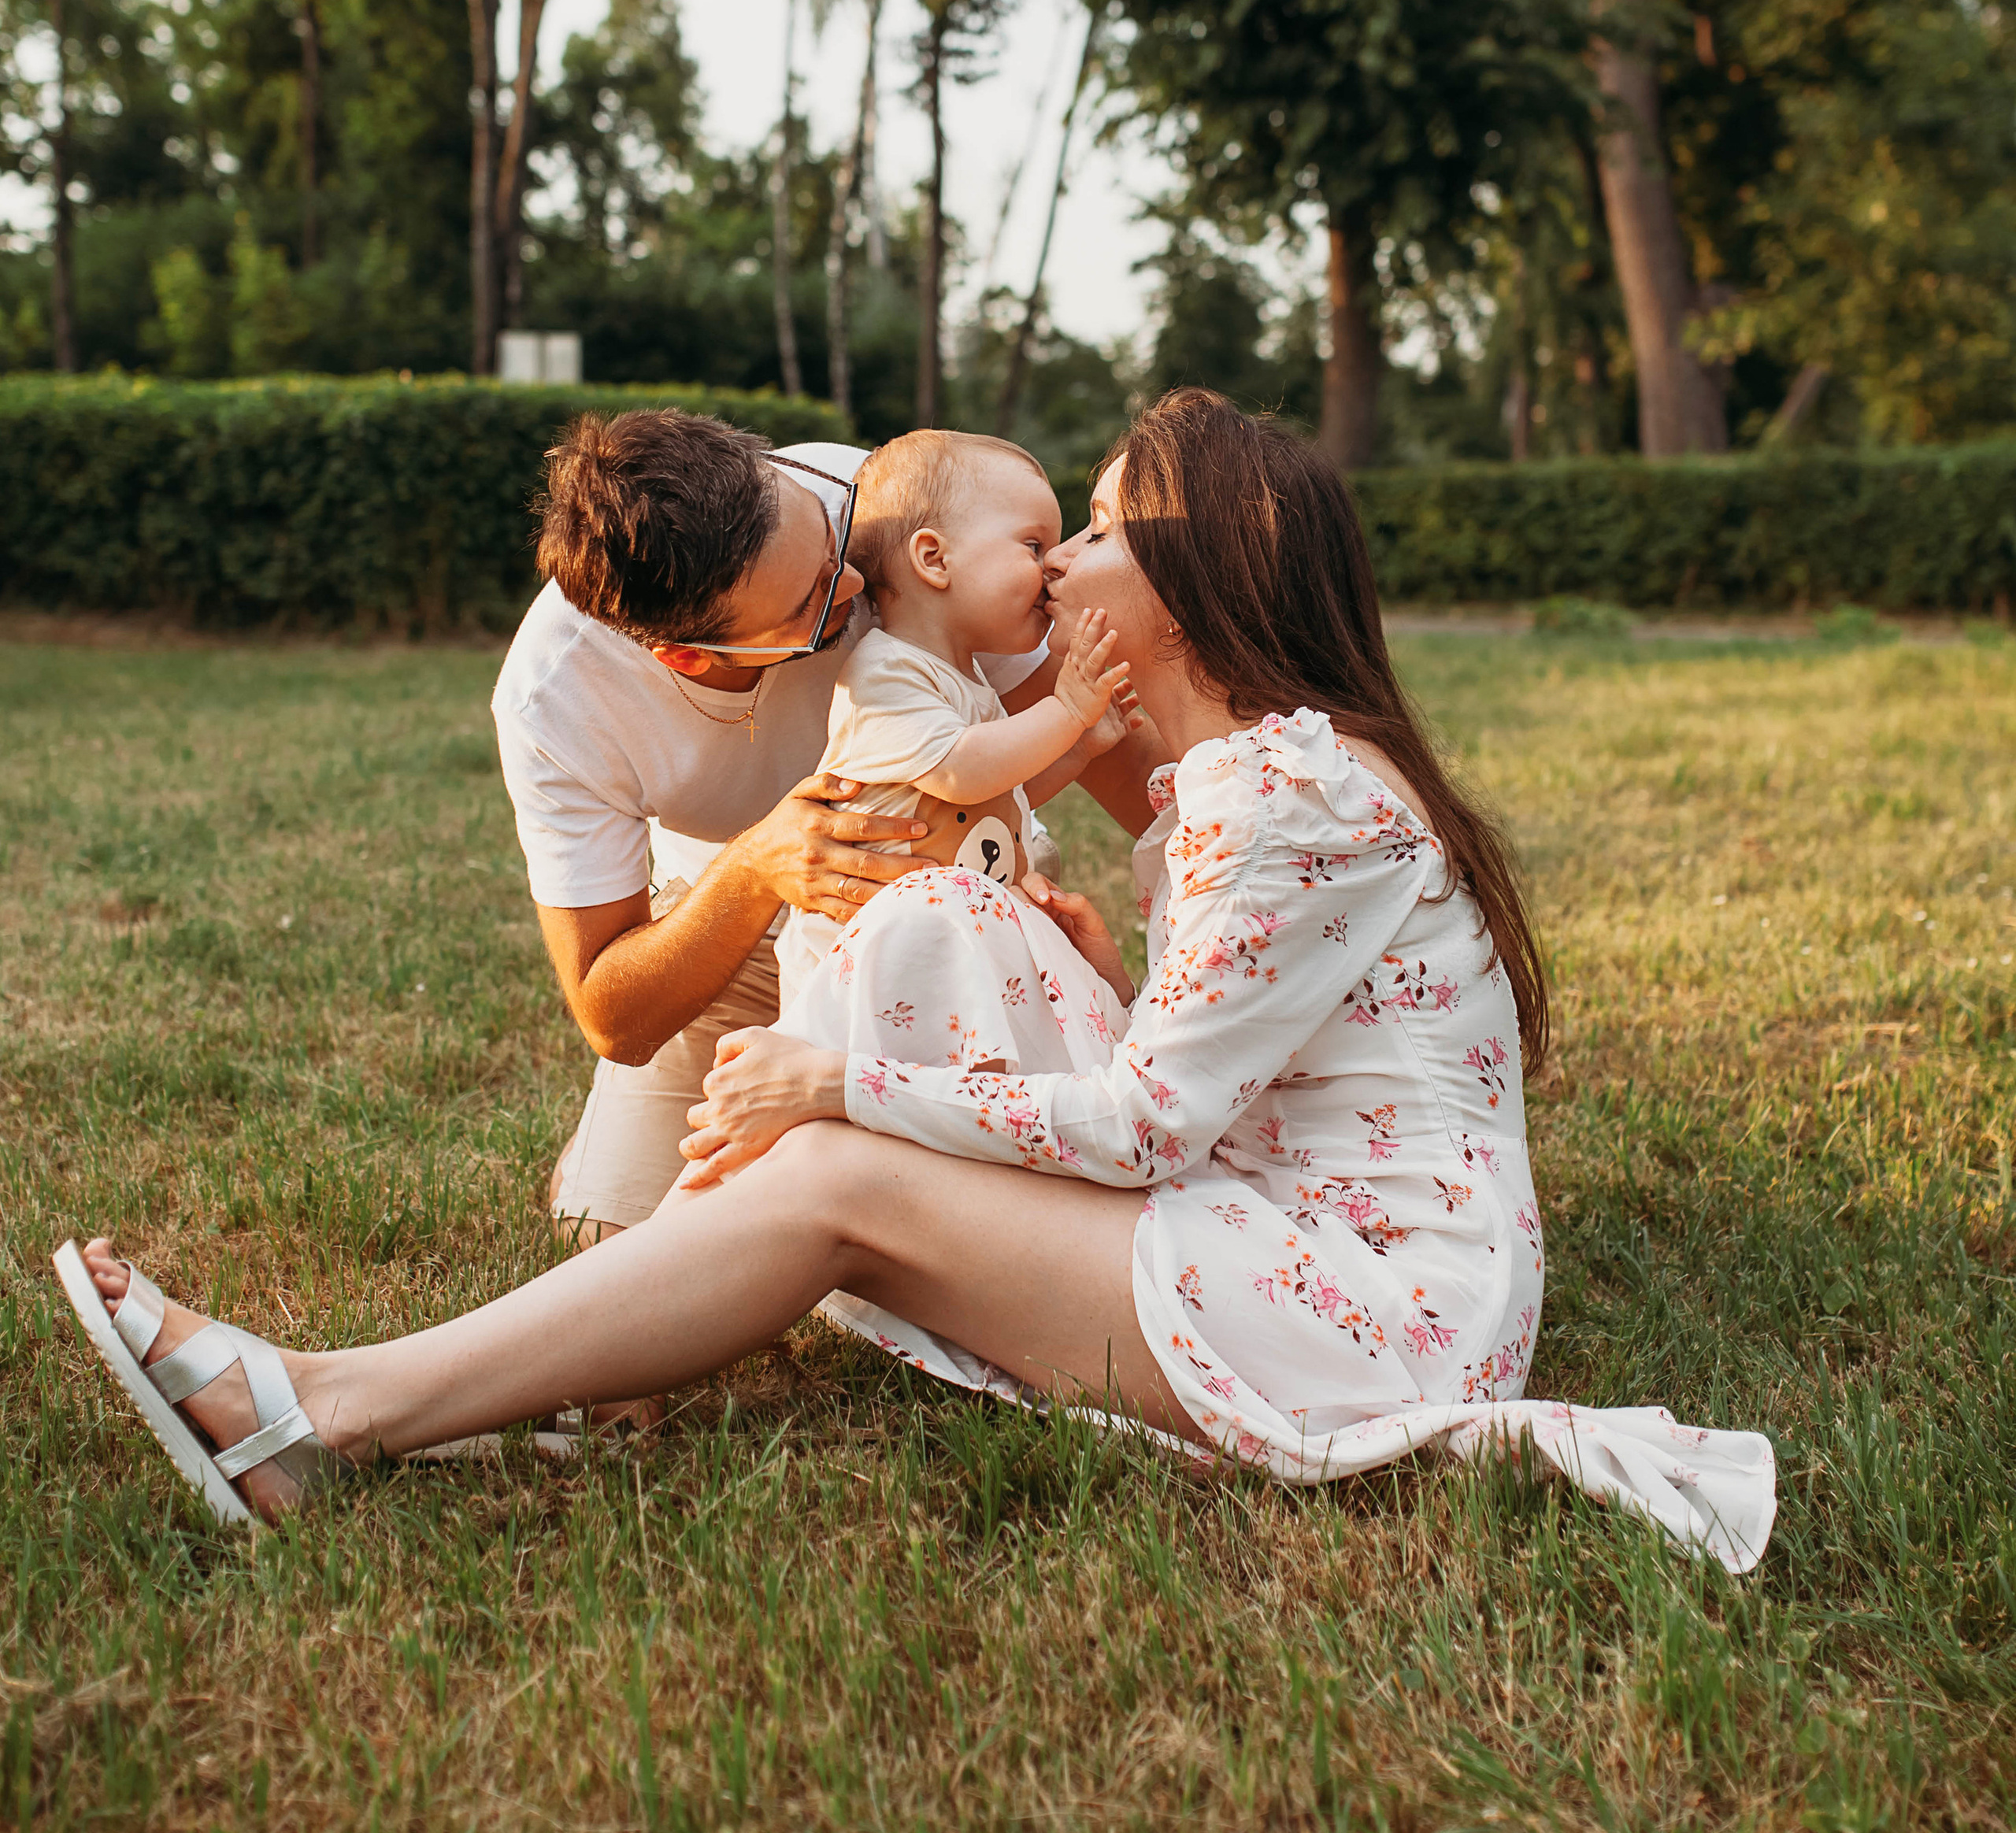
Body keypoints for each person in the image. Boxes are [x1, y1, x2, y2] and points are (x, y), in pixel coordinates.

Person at [54, 391, 1777, 1573]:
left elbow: (1152, 1118)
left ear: (1174, 596)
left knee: (832, 1173)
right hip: (1241, 1201)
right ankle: (546, 1364)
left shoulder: (1273, 791)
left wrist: (838, 1085)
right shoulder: (1259, 777)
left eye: (1090, 529)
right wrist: (1041, 939)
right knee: (918, 950)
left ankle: (328, 1410)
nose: (1052, 566)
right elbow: (621, 1002)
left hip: (1371, 1314)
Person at [489, 408, 1152, 1242]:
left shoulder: (881, 507)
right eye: (811, 603)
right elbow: (612, 1015)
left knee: (1001, 1194)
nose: (856, 588)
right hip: (733, 930)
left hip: (936, 925)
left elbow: (1109, 753)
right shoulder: (559, 697)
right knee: (615, 1236)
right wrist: (755, 867)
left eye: (834, 551)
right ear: (689, 657)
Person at [773, 428, 1138, 1011]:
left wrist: (1080, 750)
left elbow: (998, 793)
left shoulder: (967, 683)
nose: (1051, 568)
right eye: (1033, 546)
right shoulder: (884, 675)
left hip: (932, 960)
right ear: (934, 559)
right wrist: (1066, 711)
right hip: (859, 971)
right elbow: (959, 775)